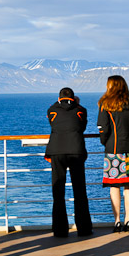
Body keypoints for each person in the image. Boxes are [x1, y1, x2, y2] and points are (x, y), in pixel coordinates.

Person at [97, 75, 129, 233]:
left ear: (110, 86)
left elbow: (103, 127)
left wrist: (105, 141)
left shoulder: (105, 103)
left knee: (114, 185)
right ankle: (128, 220)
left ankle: (117, 221)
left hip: (113, 149)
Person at [45, 87, 93, 237]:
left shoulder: (52, 110)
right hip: (76, 150)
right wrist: (76, 104)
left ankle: (60, 230)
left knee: (58, 191)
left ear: (59, 98)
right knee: (79, 190)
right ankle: (84, 229)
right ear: (74, 98)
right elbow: (82, 127)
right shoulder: (81, 110)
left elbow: (53, 124)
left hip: (57, 151)